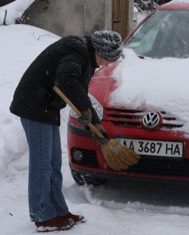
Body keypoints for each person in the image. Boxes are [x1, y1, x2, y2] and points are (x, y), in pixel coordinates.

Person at [9, 30, 123, 232]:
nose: (106, 65)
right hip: (34, 105)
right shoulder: (76, 51)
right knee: (42, 165)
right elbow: (66, 81)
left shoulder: (84, 56)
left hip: (47, 106)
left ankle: (59, 211)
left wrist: (95, 123)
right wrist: (85, 111)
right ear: (98, 51)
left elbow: (79, 92)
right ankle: (42, 215)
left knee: (53, 164)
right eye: (106, 59)